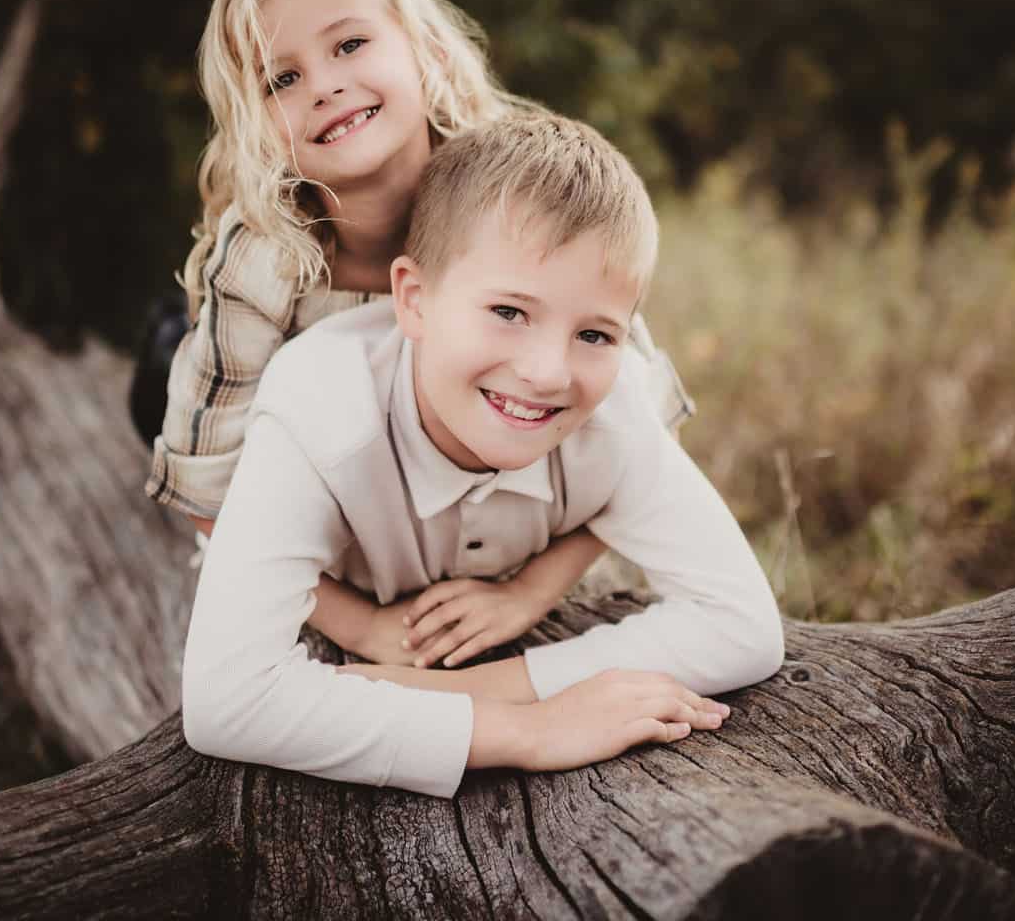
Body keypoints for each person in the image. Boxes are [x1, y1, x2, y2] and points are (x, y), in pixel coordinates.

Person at [146, 0, 691, 667]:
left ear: (424, 49)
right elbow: (207, 494)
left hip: (500, 559)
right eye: (282, 80)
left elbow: (647, 428)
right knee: (169, 375)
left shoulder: (514, 195)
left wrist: (529, 593)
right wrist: (360, 628)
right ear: (252, 120)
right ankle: (164, 341)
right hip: (337, 581)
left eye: (351, 45)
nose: (326, 87)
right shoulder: (263, 259)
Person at [181, 111, 785, 795]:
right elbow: (225, 700)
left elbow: (745, 626)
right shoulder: (317, 413)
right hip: (228, 423)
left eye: (594, 334)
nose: (548, 372)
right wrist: (529, 730)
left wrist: (486, 683)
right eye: (509, 312)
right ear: (413, 299)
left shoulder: (617, 415)